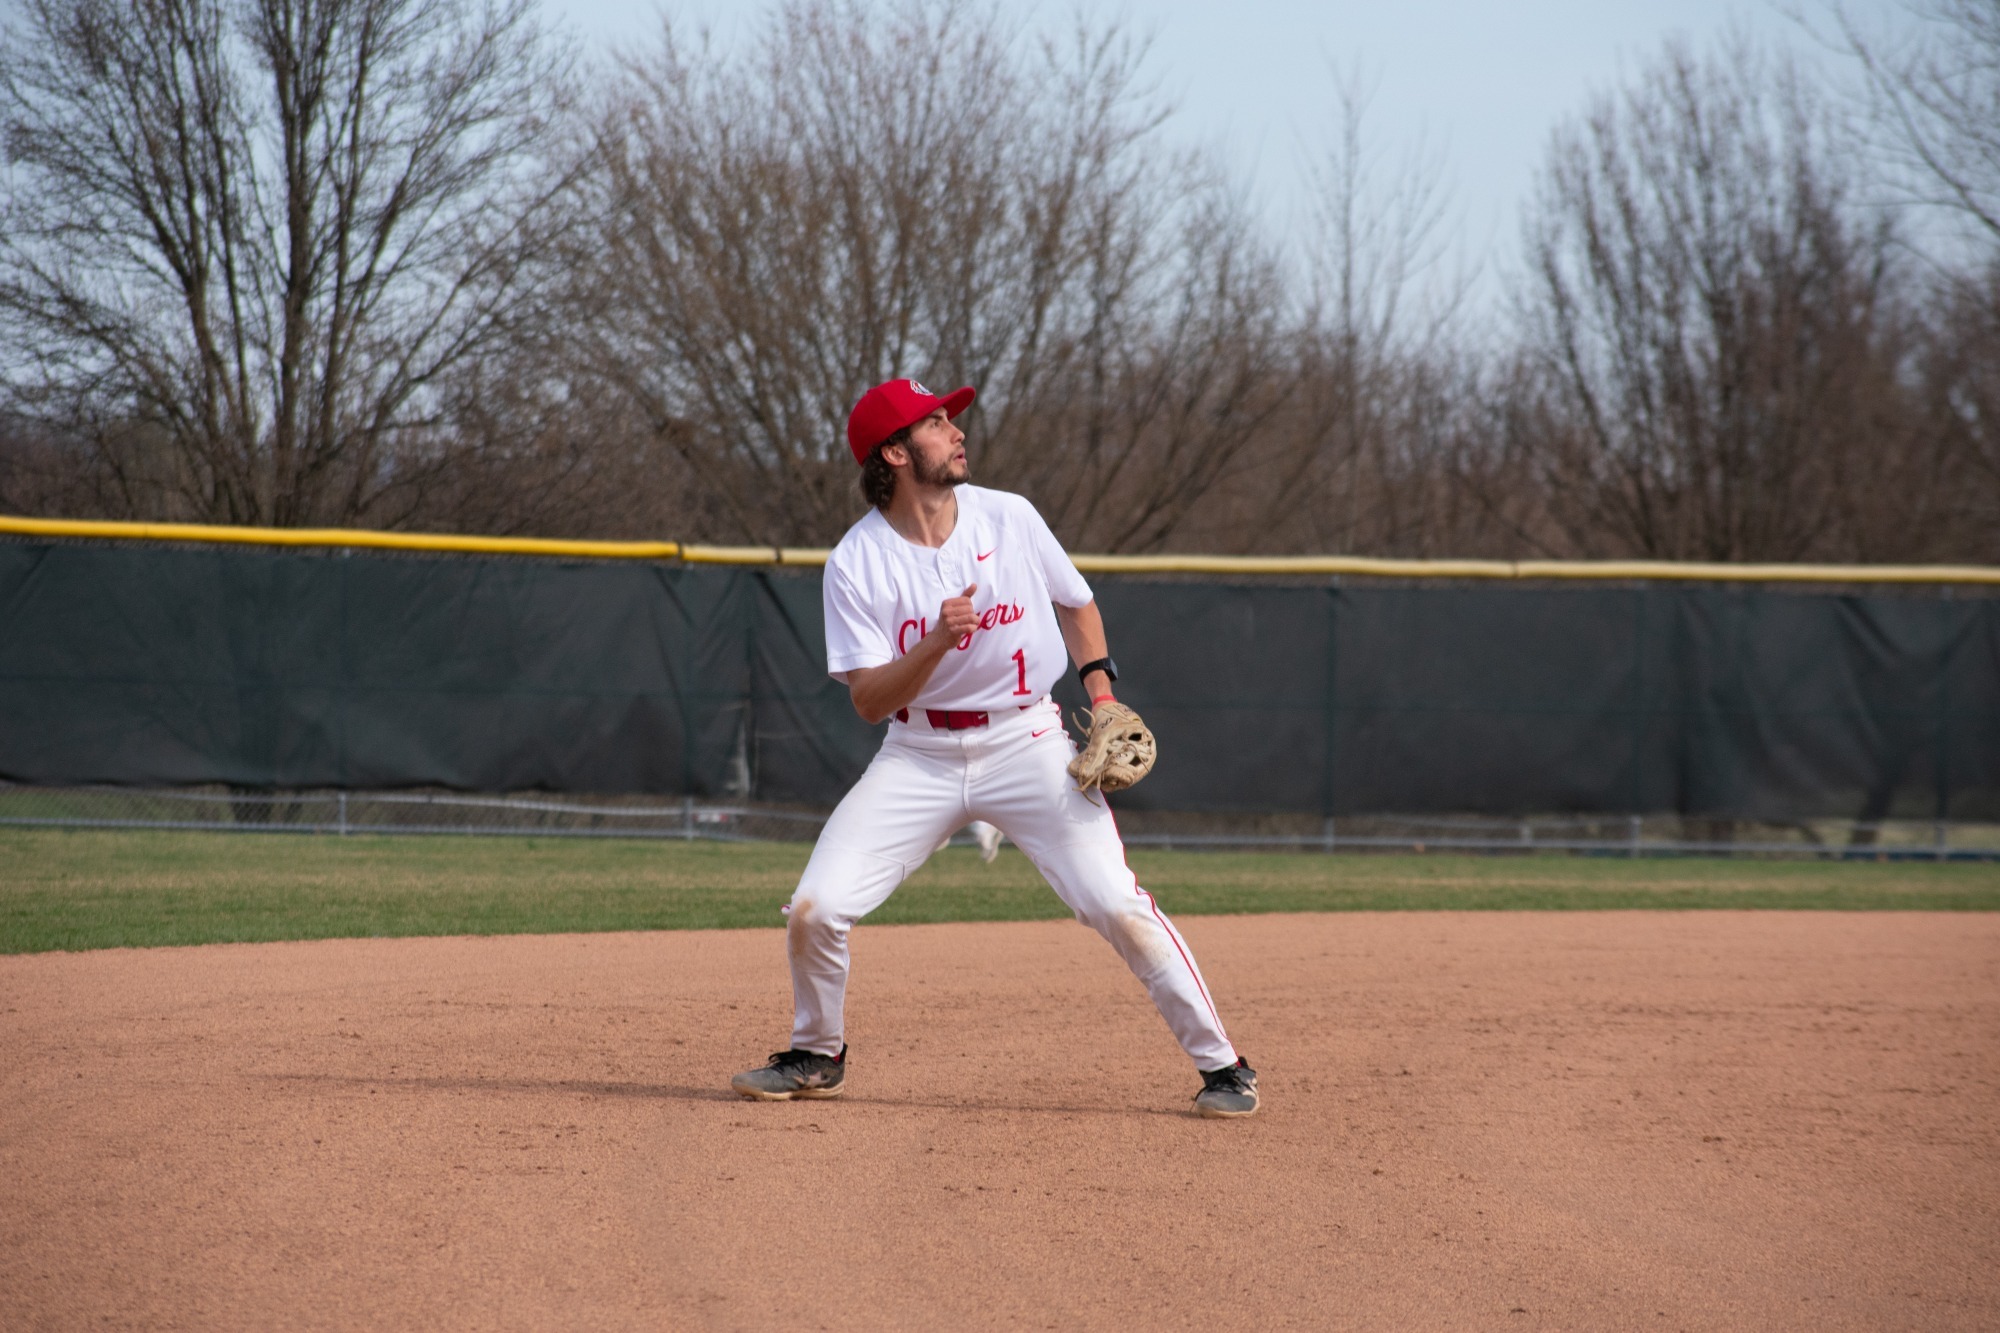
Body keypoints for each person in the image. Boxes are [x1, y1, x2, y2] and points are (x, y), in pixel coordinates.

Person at [730, 378, 1258, 1118]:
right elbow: (869, 700)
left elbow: (1076, 603)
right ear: (895, 451)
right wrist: (940, 643)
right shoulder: (857, 560)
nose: (956, 431)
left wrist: (1101, 696)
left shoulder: (1010, 517)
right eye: (936, 422)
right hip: (918, 754)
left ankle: (1223, 1065)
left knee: (1115, 900)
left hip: (1028, 740)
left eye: (951, 418)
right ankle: (818, 1051)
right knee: (815, 908)